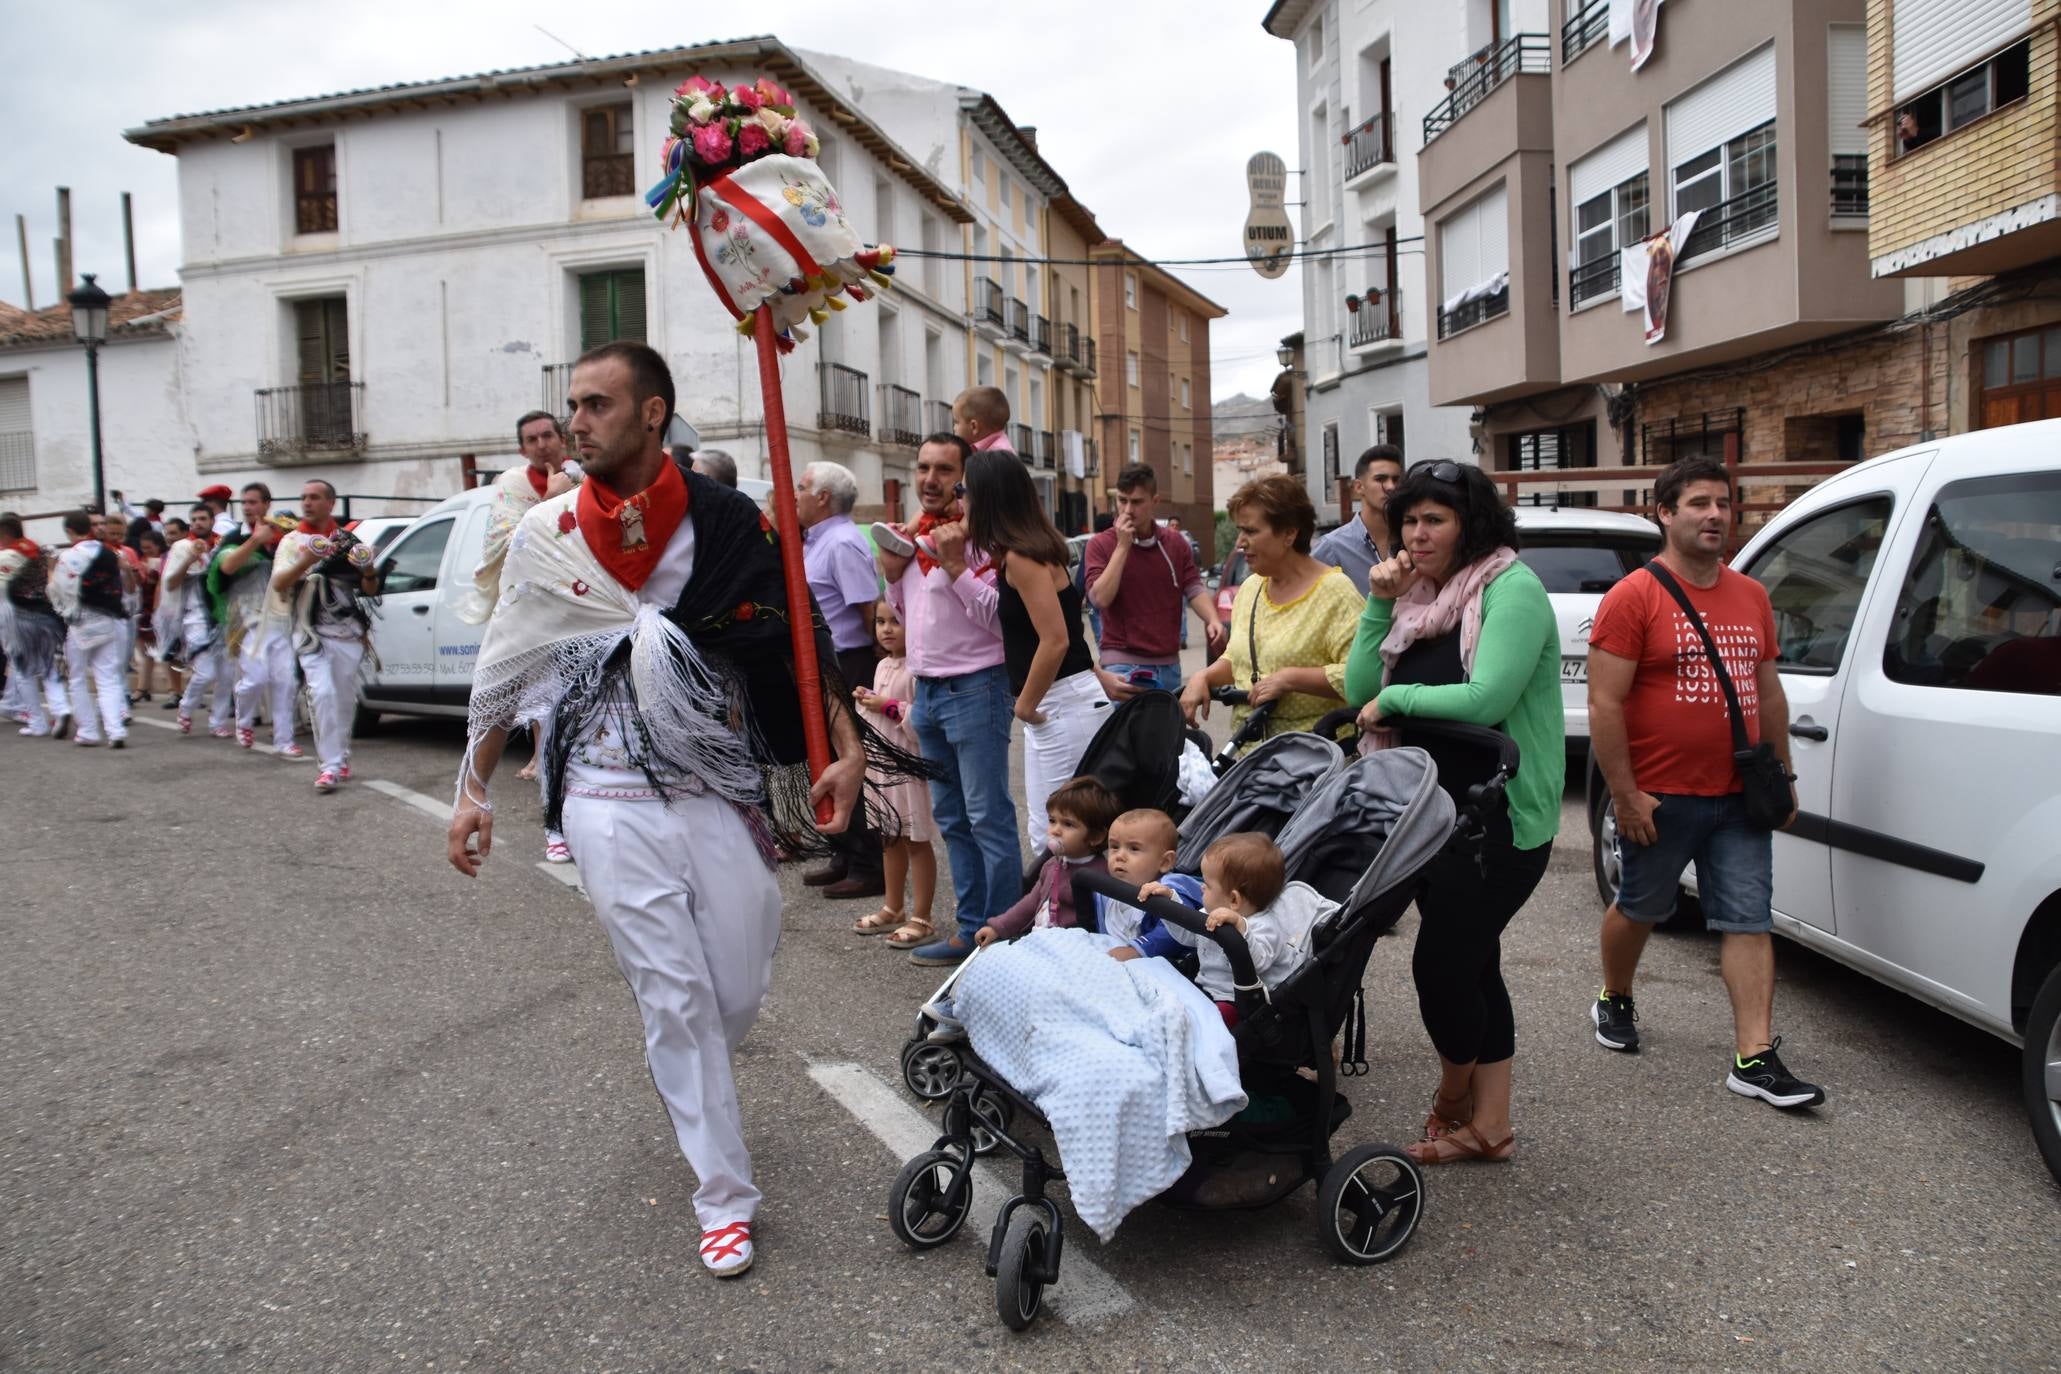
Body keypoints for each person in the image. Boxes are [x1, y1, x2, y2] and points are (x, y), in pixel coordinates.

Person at [446, 341, 902, 1279]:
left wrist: (848, 751)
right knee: (677, 996)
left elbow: (798, 643)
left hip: (717, 786)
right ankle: (722, 1196)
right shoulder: (548, 533)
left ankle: (692, 1073)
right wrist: (472, 791)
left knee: (734, 981)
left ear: (653, 414)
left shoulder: (729, 521)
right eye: (571, 404)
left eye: (597, 404)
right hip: (605, 796)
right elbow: (505, 663)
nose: (577, 421)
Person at [1342, 459, 1563, 1166]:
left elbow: (1485, 699)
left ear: (1471, 522)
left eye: (1434, 518)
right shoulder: (1421, 594)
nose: (1417, 531)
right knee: (1474, 964)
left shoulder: (1510, 588)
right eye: (1408, 519)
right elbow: (1356, 691)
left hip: (1497, 816)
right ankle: (1489, 1128)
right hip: (1425, 812)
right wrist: (1380, 602)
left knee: (1442, 966)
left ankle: (1452, 1098)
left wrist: (1397, 702)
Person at [1585, 456, 1822, 1110]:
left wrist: (1783, 775)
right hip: (1661, 797)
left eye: (1722, 503)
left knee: (1746, 920)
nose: (1715, 514)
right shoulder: (1633, 596)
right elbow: (1606, 705)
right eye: (1697, 503)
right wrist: (1625, 794)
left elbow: (1766, 692)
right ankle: (1615, 994)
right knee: (1641, 906)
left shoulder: (1750, 595)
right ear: (1664, 513)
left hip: (1738, 798)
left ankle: (1753, 1056)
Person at [877, 434, 1019, 969]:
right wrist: (894, 577)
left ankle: (1000, 934)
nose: (929, 479)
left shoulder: (984, 539)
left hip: (977, 685)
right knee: (955, 820)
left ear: (965, 478)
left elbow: (1000, 622)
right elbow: (910, 618)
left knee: (988, 816)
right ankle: (969, 930)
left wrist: (957, 564)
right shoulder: (915, 541)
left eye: (942, 469)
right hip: (929, 691)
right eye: (922, 468)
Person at [965, 448, 1113, 859]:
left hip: (1059, 703)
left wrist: (1025, 706)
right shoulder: (1032, 550)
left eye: (966, 490)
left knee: (1056, 841)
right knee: (1064, 835)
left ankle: (1065, 923)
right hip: (1069, 697)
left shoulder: (1021, 557)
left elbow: (1056, 639)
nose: (963, 499)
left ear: (986, 498)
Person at [923, 775, 1120, 1041]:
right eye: (1052, 821)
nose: (1055, 830)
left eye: (1068, 824)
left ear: (1096, 836)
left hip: (1067, 951)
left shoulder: (1097, 875)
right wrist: (998, 926)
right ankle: (960, 1011)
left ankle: (961, 1012)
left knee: (1003, 966)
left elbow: (1104, 922)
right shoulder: (1052, 866)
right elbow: (1030, 903)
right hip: (1038, 941)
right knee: (988, 959)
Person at [1180, 475, 1362, 748]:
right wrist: (1202, 676)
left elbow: (1361, 678)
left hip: (1314, 763)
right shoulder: (1252, 587)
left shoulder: (1336, 592)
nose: (1240, 542)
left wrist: (1291, 679)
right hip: (1252, 758)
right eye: (1240, 530)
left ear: (1289, 533)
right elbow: (1239, 659)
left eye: (1251, 531)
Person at [797, 460, 886, 900]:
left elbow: (868, 611)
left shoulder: (843, 542)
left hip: (848, 661)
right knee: (827, 754)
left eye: (801, 488)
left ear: (823, 497)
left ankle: (870, 864)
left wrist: (873, 670)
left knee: (853, 759)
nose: (795, 495)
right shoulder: (817, 540)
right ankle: (845, 853)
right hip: (825, 662)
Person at [272, 480, 381, 792]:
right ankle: (329, 766)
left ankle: (341, 754)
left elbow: (370, 588)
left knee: (344, 697)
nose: (307, 502)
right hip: (310, 631)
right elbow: (280, 583)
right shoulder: (292, 541)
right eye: (304, 497)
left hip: (346, 631)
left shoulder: (346, 540)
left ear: (330, 503)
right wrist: (307, 560)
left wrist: (369, 568)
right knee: (322, 693)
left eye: (315, 497)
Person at [1138, 831, 1307, 1027]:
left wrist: (1240, 928)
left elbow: (1255, 964)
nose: (1202, 888)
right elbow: (1186, 936)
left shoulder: (1265, 927)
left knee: (1210, 1020)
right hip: (1204, 988)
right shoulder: (1213, 912)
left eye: (1207, 885)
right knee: (1158, 971)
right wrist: (1170, 903)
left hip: (1237, 1002)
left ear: (1234, 900)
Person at [1085, 464, 1224, 693]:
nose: (1128, 509)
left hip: (1169, 665)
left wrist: (1213, 620)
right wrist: (1122, 546)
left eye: (1137, 502)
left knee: (1167, 730)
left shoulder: (1176, 543)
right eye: (1122, 500)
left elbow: (1194, 588)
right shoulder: (1100, 544)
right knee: (1129, 730)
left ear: (1155, 501)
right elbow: (1100, 598)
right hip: (1122, 665)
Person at [850, 602, 939, 946]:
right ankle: (893, 907)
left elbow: (924, 720)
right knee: (889, 837)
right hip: (883, 764)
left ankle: (923, 916)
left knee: (915, 839)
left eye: (896, 622)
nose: (887, 629)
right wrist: (869, 699)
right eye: (881, 622)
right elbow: (882, 709)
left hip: (908, 763)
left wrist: (885, 705)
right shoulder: (882, 665)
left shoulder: (919, 668)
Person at [212, 483, 302, 756]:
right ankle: (243, 718)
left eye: (253, 502)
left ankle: (284, 740)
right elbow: (227, 566)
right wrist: (255, 540)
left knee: (285, 679)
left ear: (266, 504)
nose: (248, 507)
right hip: (247, 618)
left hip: (281, 616)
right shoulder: (234, 538)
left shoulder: (285, 537)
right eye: (245, 503)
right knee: (256, 678)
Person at [464, 411, 578, 624]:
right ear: (522, 451)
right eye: (532, 440)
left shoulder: (585, 478)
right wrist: (552, 498)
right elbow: (506, 543)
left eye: (547, 436)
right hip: (530, 602)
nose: (542, 445)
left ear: (562, 440)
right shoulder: (513, 484)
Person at [52, 510, 135, 748]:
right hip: (108, 619)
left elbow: (58, 594)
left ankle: (88, 730)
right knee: (108, 678)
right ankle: (115, 730)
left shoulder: (67, 556)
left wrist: (50, 571)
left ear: (69, 531)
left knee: (78, 678)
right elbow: (124, 587)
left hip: (80, 623)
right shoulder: (109, 553)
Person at [160, 505, 232, 738]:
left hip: (223, 616)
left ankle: (218, 722)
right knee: (206, 672)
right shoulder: (182, 547)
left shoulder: (223, 545)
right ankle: (186, 707)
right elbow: (170, 583)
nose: (198, 523)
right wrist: (191, 558)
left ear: (213, 520)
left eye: (203, 518)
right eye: (194, 519)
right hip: (195, 617)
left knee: (227, 674)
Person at [1097, 808, 1203, 963]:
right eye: (1114, 846)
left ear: (1164, 862)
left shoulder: (1169, 891)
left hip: (1166, 964)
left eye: (1134, 848)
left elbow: (1173, 933)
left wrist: (1137, 950)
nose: (1119, 856)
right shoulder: (1103, 888)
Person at [0, 514, 69, 738]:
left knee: (23, 669)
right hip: (47, 615)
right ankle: (61, 709)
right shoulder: (36, 550)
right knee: (48, 667)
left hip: (18, 616)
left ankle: (37, 722)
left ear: (5, 534)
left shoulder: (9, 555)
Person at [1313, 444, 1405, 591]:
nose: (1391, 487)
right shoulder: (1333, 547)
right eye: (1381, 479)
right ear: (1358, 487)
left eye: (1396, 480)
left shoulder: (1410, 539)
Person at [951, 385, 1014, 454]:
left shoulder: (996, 458)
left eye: (956, 422)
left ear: (974, 426)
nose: (954, 428)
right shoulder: (1000, 453)